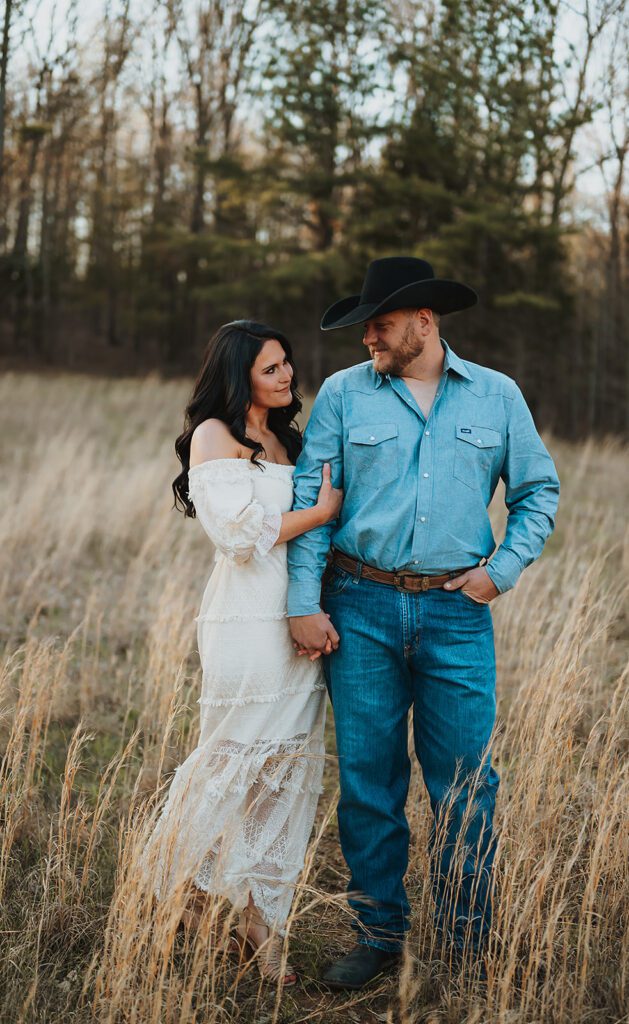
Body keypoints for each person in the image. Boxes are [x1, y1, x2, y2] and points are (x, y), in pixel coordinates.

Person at [287, 256, 560, 990]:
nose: (367, 338)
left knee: (465, 783)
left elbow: (537, 492)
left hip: (455, 613)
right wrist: (302, 602)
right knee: (369, 781)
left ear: (423, 322)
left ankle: (468, 941)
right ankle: (377, 935)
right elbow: (314, 505)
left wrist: (497, 573)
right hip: (360, 607)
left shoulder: (497, 396)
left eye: (378, 325)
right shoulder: (344, 396)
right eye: (364, 327)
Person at [139, 320, 342, 986]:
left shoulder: (287, 440)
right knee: (234, 755)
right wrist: (321, 511)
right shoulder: (213, 435)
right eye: (269, 369)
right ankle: (169, 894)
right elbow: (235, 534)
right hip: (245, 620)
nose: (286, 376)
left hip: (298, 614)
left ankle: (263, 927)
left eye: (286, 364)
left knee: (282, 774)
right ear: (237, 377)